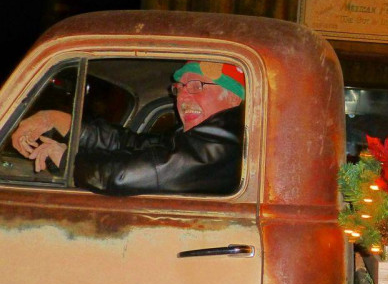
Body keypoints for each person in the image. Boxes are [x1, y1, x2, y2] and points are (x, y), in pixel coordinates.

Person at [11, 61, 245, 195]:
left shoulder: (226, 139)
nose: (182, 97)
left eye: (195, 86)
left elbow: (127, 175)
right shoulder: (201, 138)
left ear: (235, 97)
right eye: (180, 88)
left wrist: (69, 160)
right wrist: (59, 120)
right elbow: (138, 145)